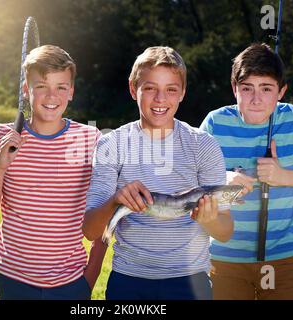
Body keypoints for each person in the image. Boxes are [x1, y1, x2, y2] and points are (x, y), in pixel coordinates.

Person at [82, 46, 233, 300]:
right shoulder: (111, 145)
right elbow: (90, 231)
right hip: (129, 281)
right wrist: (116, 200)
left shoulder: (203, 145)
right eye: (150, 88)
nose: (160, 99)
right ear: (133, 89)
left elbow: (225, 231)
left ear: (182, 93)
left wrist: (207, 218)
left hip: (190, 282)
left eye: (171, 89)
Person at [199, 43, 293, 300]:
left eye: (266, 89)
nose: (256, 99)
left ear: (281, 91)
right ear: (234, 89)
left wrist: (283, 176)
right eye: (247, 88)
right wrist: (225, 178)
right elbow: (192, 182)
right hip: (223, 259)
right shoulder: (214, 123)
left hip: (281, 259)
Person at [0, 45, 106, 300]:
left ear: (71, 92)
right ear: (26, 89)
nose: (51, 96)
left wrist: (91, 275)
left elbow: (103, 214)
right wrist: (1, 165)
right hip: (14, 281)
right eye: (41, 86)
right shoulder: (2, 136)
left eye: (61, 87)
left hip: (72, 282)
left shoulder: (90, 139)